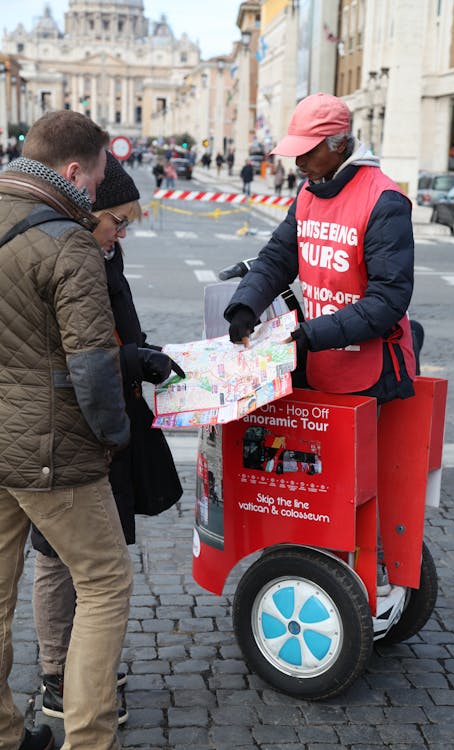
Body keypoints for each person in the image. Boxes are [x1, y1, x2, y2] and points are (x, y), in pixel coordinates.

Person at [224, 93, 416, 590]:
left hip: (368, 371)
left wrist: (309, 335)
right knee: (315, 485)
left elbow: (388, 301)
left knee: (353, 490)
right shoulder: (309, 192)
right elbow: (276, 258)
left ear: (340, 142)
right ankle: (317, 566)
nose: (300, 160)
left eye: (309, 150)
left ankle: (349, 579)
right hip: (319, 359)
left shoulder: (384, 200)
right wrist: (245, 305)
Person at [30, 151, 184, 725]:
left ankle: (84, 666)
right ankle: (58, 678)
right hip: (69, 425)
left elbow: (112, 329)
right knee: (62, 559)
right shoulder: (67, 251)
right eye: (117, 220)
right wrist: (131, 361)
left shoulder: (103, 252)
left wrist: (137, 356)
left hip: (104, 415)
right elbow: (74, 354)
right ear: (86, 203)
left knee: (95, 557)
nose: (122, 233)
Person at [0, 110, 132, 750]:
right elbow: (92, 363)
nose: (96, 191)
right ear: (74, 171)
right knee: (105, 581)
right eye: (98, 176)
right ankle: (89, 738)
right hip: (48, 446)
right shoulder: (68, 240)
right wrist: (113, 436)